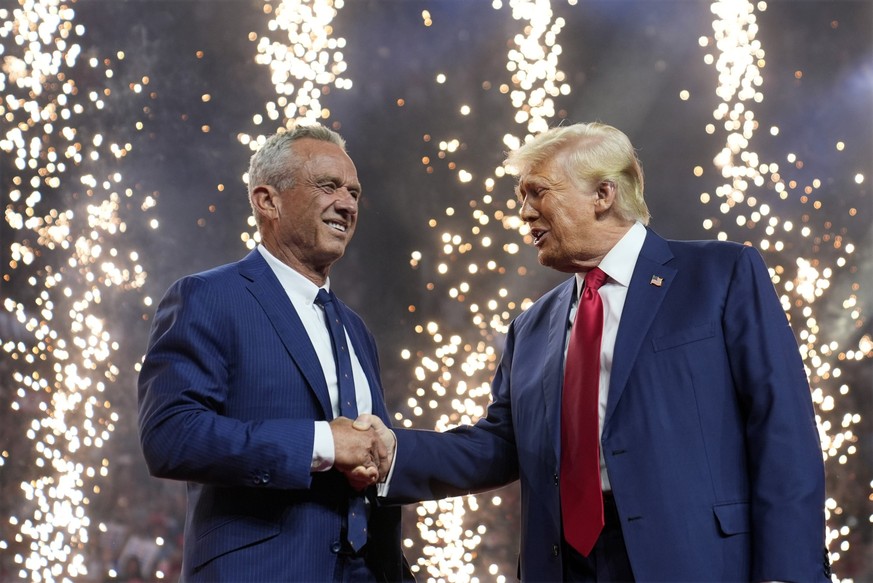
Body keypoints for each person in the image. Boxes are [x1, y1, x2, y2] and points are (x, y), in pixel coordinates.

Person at [351, 122, 830, 581]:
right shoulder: (531, 327)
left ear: (603, 194)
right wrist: (394, 452)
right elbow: (500, 445)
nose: (523, 212)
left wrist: (787, 573)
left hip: (696, 559)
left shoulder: (720, 275)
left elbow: (780, 424)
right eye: (522, 196)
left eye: (537, 192)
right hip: (566, 566)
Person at [138, 124, 410, 581]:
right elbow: (170, 435)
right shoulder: (208, 297)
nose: (347, 203)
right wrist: (324, 443)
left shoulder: (357, 331)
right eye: (328, 186)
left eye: (354, 192)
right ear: (268, 200)